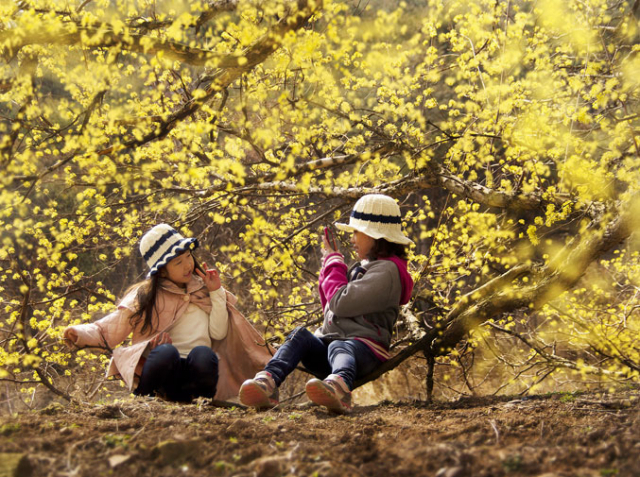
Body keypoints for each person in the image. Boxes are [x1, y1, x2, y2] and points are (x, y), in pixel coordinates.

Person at [239, 194, 414, 412]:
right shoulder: (367, 268)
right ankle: (268, 381)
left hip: (364, 352)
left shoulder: (387, 271)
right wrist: (328, 266)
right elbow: (331, 311)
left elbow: (340, 303)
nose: (352, 239)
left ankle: (339, 387)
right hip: (336, 348)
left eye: (356, 232)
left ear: (375, 235)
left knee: (341, 345)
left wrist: (335, 265)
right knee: (300, 335)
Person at [64, 224, 272, 402]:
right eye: (178, 262)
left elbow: (218, 333)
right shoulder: (146, 296)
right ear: (162, 270)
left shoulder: (203, 290)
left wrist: (216, 292)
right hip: (162, 372)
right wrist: (79, 333)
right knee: (166, 353)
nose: (187, 265)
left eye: (188, 256)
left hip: (193, 375)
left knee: (205, 355)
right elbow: (109, 327)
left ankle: (201, 401)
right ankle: (148, 399)